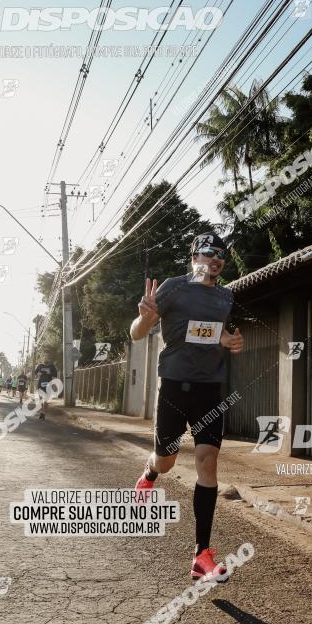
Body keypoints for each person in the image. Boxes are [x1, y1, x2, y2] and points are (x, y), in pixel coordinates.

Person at [131, 232, 244, 583]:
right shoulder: (173, 288)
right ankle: (149, 474)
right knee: (166, 461)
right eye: (207, 252)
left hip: (210, 388)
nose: (214, 259)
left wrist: (232, 340)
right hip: (174, 387)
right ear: (194, 256)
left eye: (220, 255)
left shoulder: (226, 296)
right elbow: (137, 333)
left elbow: (225, 335)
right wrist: (147, 319)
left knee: (208, 460)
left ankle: (202, 554)